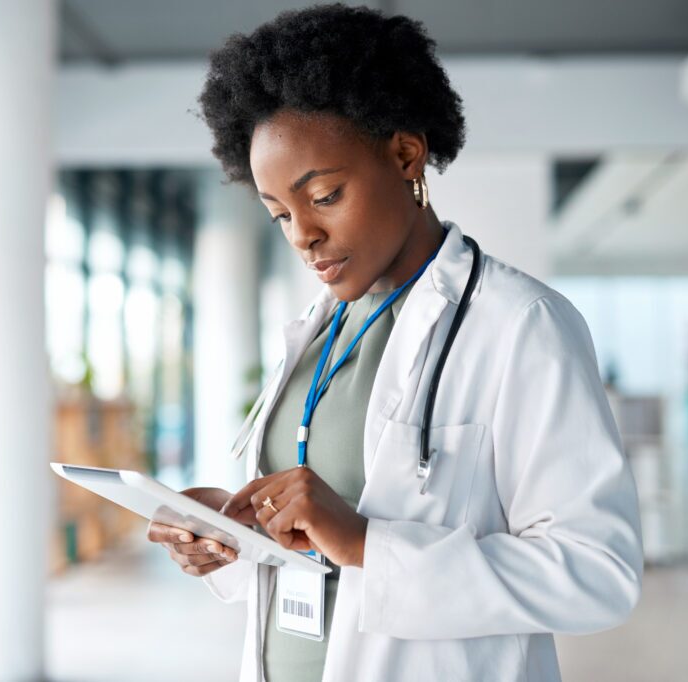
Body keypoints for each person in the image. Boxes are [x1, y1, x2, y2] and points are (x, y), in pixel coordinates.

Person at [147, 5, 642, 681]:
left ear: (406, 155)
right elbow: (313, 553)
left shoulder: (520, 324)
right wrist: (238, 537)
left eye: (323, 195)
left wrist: (367, 545)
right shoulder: (320, 331)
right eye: (280, 214)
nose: (302, 235)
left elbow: (598, 572)